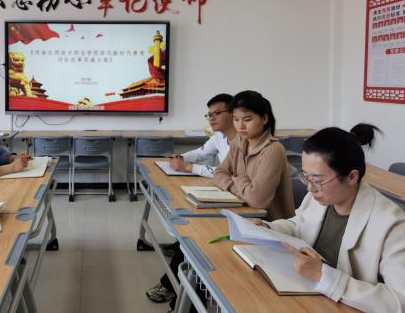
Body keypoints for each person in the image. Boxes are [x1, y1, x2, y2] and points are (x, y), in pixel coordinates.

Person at [264, 124, 405, 312]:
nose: (310, 188)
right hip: (306, 297)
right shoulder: (319, 197)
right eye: (306, 177)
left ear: (352, 177)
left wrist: (323, 275)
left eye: (318, 180)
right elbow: (298, 224)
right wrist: (268, 228)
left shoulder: (392, 225)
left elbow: (399, 301)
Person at [146, 93, 237, 305]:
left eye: (217, 113)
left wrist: (188, 167)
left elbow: (227, 174)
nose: (211, 118)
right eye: (209, 114)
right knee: (189, 229)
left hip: (236, 203)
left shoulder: (242, 142)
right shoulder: (220, 136)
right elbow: (201, 152)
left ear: (234, 113)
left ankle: (174, 288)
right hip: (223, 196)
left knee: (196, 238)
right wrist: (181, 159)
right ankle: (175, 280)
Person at [213, 90, 294, 221]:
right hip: (242, 216)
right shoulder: (238, 142)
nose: (240, 126)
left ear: (264, 119)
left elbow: (257, 200)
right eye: (236, 119)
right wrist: (245, 188)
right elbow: (218, 174)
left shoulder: (273, 150)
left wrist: (237, 179)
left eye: (247, 119)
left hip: (270, 225)